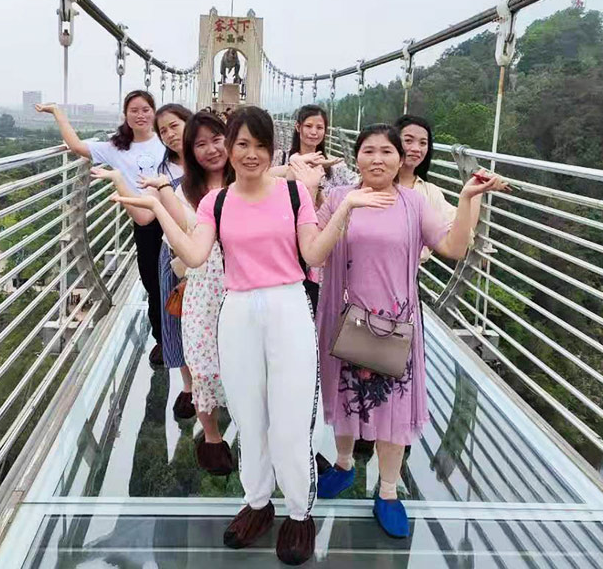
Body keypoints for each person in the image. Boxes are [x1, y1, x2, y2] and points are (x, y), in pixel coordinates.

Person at [112, 106, 396, 565]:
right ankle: (258, 502)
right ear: (230, 148)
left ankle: (299, 512)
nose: (251, 154)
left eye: (260, 145)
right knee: (248, 413)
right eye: (241, 144)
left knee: (291, 417)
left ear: (272, 149)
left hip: (288, 306)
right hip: (238, 310)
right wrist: (159, 209)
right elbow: (195, 255)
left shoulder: (293, 193)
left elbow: (313, 253)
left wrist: (344, 208)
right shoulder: (216, 202)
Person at [314, 124, 508, 539]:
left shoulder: (413, 203)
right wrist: (341, 205)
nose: (377, 159)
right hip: (344, 317)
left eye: (387, 151)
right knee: (346, 396)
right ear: (356, 157)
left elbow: (453, 248)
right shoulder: (338, 197)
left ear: (400, 160)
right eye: (368, 151)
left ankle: (387, 490)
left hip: (395, 323)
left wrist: (468, 199)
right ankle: (344, 465)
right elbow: (314, 251)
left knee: (394, 408)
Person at [35, 90, 167, 366]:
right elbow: (76, 147)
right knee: (153, 284)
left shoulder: (166, 140)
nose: (140, 115)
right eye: (134, 110)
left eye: (145, 109)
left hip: (173, 216)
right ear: (125, 115)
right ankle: (162, 340)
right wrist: (57, 112)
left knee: (175, 281)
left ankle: (181, 336)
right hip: (144, 222)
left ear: (154, 112)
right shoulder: (115, 148)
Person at [141, 110, 236, 475]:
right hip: (203, 289)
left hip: (244, 287)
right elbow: (182, 240)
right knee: (203, 365)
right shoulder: (184, 191)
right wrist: (161, 196)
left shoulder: (249, 180)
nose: (211, 149)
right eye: (201, 144)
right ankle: (211, 437)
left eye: (218, 140)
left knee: (244, 363)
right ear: (190, 151)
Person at [137, 104, 194, 420]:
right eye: (163, 131)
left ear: (189, 122)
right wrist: (119, 183)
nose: (170, 135)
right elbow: (147, 216)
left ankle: (214, 383)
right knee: (175, 318)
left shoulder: (213, 159)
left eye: (175, 126)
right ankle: (188, 386)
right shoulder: (161, 171)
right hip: (173, 255)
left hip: (212, 254)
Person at [394, 114, 465, 262]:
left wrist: (473, 193)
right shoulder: (372, 183)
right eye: (408, 141)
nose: (416, 149)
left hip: (408, 274)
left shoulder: (429, 192)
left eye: (423, 143)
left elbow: (459, 232)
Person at [272, 104, 358, 208]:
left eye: (319, 127)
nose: (314, 132)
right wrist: (297, 164)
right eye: (308, 126)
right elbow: (260, 178)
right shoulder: (279, 159)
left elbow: (359, 185)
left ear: (325, 131)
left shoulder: (335, 168)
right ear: (298, 127)